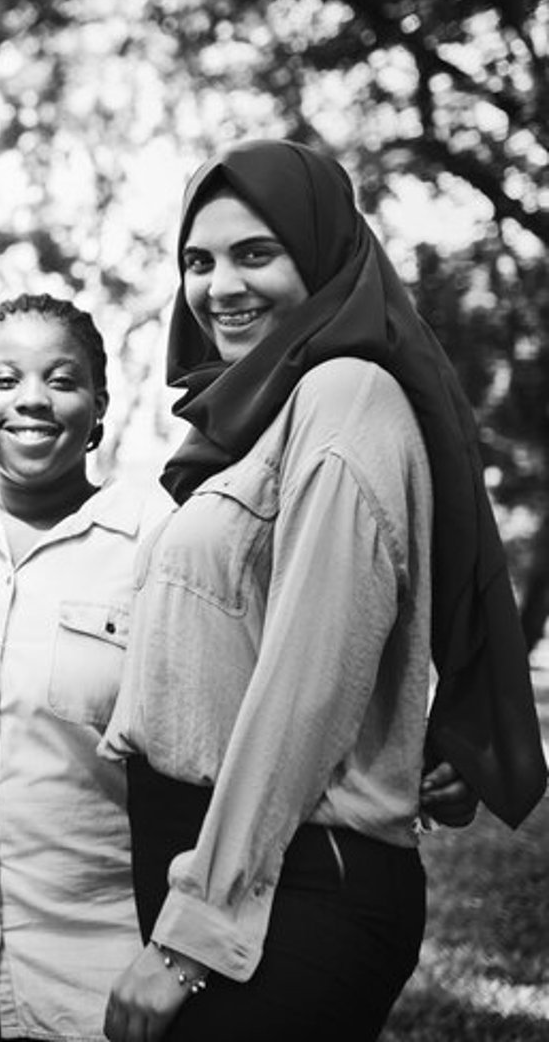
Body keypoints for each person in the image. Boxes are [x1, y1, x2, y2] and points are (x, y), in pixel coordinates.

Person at [100, 139, 547, 1041]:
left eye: (255, 253)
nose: (219, 285)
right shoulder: (268, 417)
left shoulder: (344, 394)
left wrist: (195, 935)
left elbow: (307, 681)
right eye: (198, 260)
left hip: (290, 885)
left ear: (326, 254)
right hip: (238, 862)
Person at [0, 294, 163, 1042]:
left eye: (62, 380)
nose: (32, 399)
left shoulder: (157, 543)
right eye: (4, 380)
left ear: (100, 404)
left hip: (96, 986)